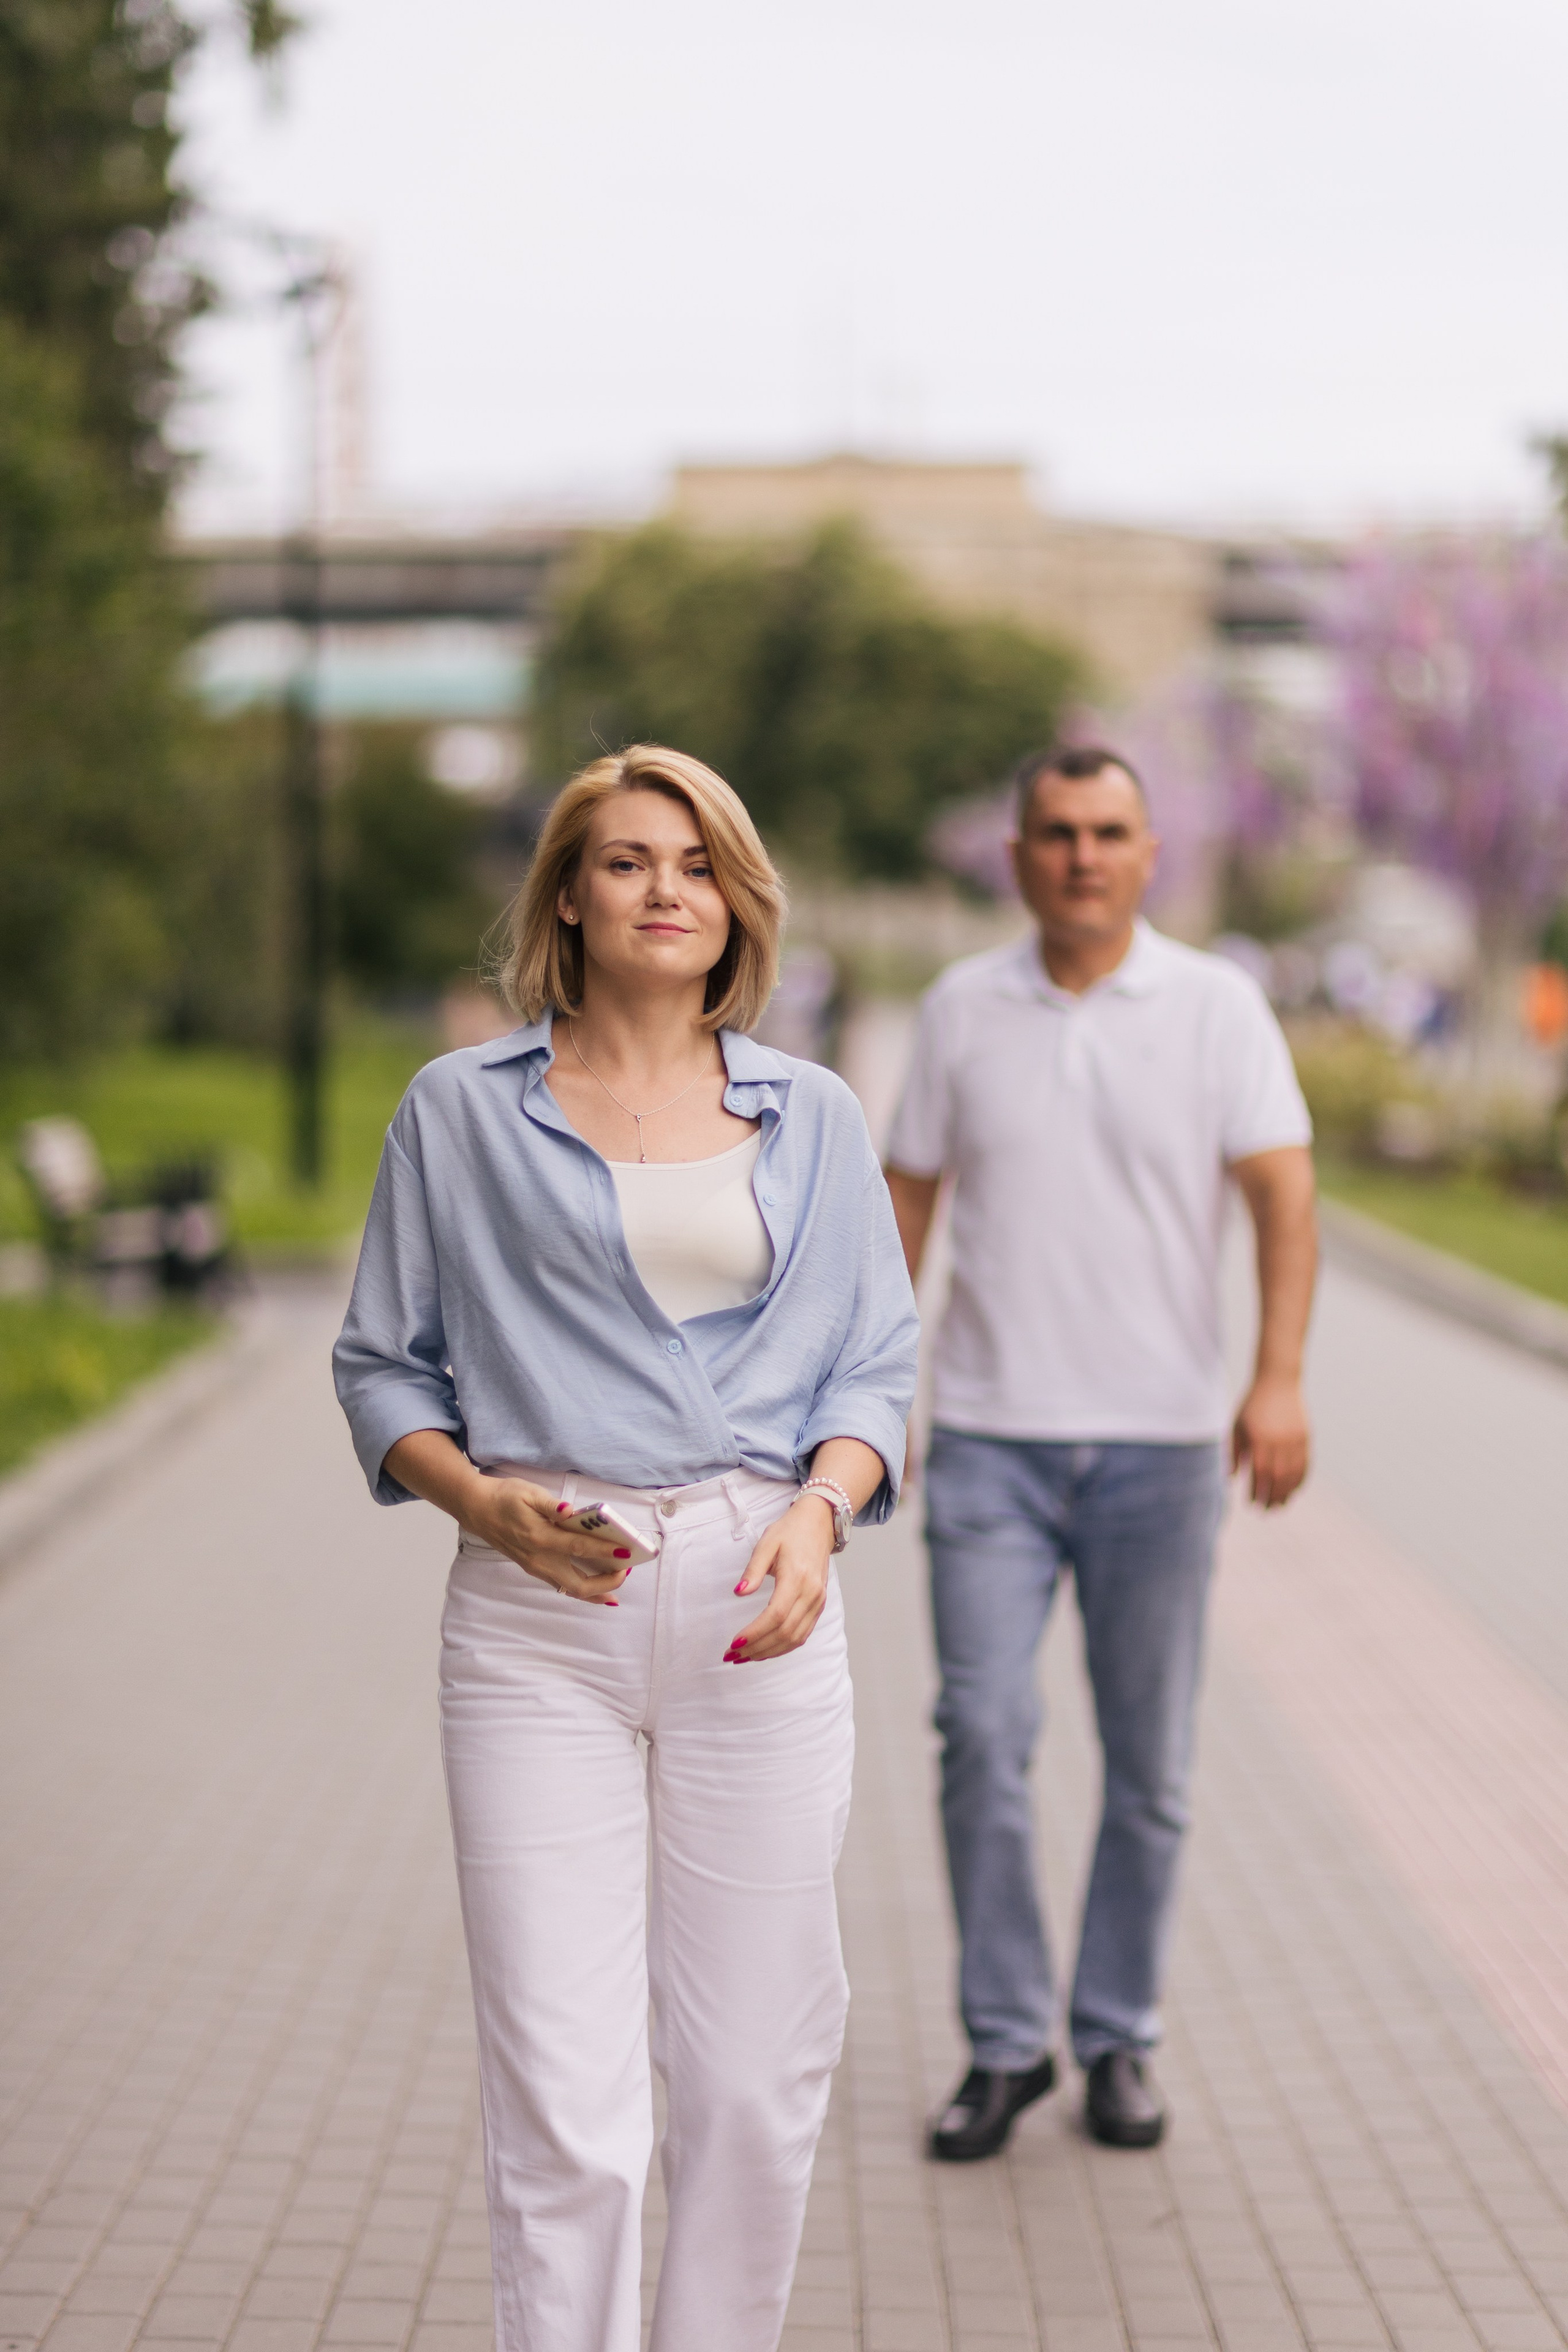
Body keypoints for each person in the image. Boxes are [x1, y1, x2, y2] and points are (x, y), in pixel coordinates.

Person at [333, 745, 918, 2352]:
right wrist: (478, 1503)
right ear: (569, 900)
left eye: (699, 862)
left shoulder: (814, 1115)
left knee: (752, 2081)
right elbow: (382, 1366)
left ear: (736, 904)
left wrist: (819, 1515)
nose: (668, 888)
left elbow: (875, 1367)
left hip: (756, 1603)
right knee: (567, 2102)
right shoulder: (459, 1112)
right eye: (628, 860)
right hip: (536, 1620)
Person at [884, 743, 1315, 2157]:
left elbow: (1282, 1196)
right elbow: (904, 1206)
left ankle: (1117, 2035)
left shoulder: (1215, 1007)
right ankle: (1006, 2045)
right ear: (1016, 856)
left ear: (1147, 855)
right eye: (1057, 832)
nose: (1081, 855)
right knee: (980, 1734)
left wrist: (1275, 1379)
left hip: (1159, 1448)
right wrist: (867, 1395)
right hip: (987, 1444)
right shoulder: (958, 1009)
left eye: (1108, 832)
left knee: (1149, 1766)